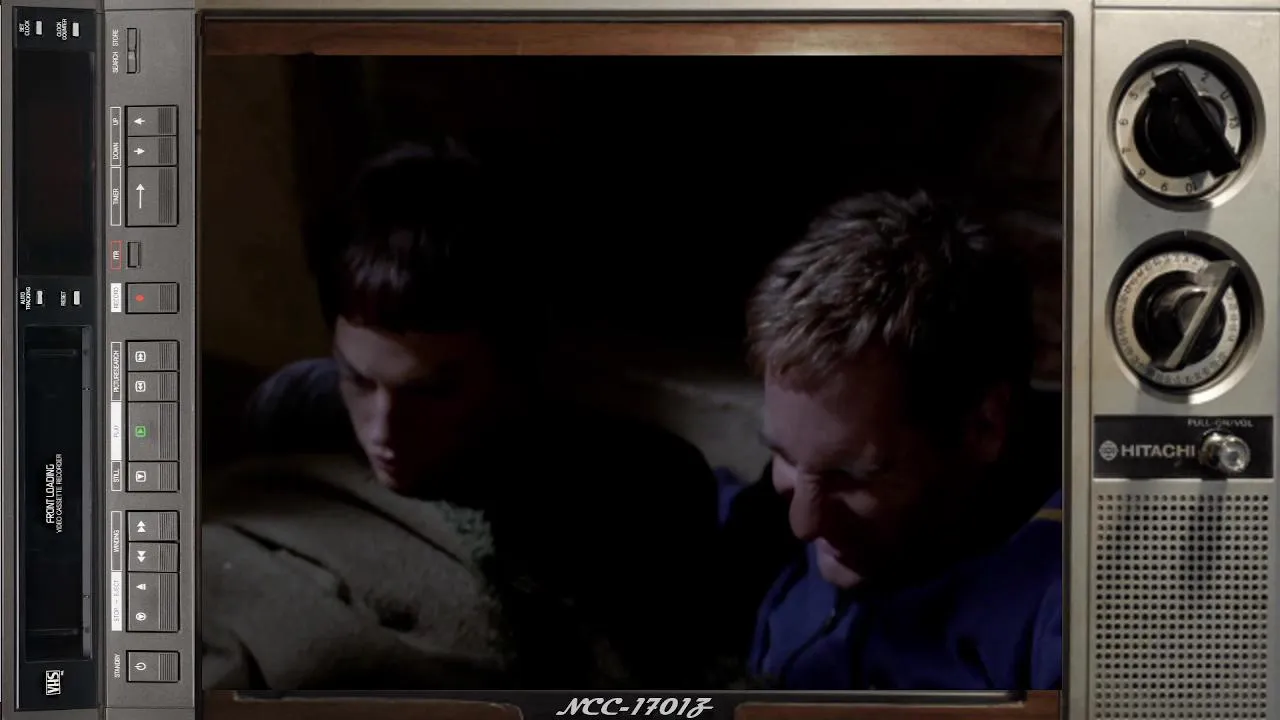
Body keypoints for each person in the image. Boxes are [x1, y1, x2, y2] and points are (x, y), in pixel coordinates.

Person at [201, 142, 725, 691]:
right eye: (358, 379)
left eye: (432, 392)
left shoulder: (638, 487)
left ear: (514, 365)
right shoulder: (298, 413)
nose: (383, 429)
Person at [723, 190, 1062, 691]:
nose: (804, 524)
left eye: (851, 477)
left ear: (983, 427)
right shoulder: (814, 487)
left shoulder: (1068, 600)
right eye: (784, 457)